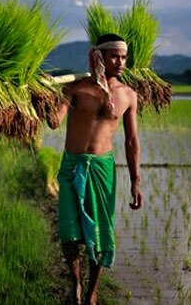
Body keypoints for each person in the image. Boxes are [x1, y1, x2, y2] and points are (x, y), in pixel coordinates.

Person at [48, 33, 143, 305]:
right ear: (98, 56)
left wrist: (136, 180)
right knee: (69, 233)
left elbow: (131, 140)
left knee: (101, 233)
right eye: (115, 55)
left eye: (124, 56)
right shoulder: (76, 88)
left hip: (102, 170)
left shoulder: (127, 95)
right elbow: (54, 122)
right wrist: (41, 95)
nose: (121, 62)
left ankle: (92, 291)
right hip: (72, 166)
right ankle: (76, 283)